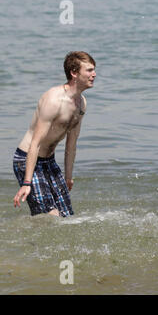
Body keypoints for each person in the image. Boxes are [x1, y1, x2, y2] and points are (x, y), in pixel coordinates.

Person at [13, 51, 96, 217]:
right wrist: (26, 182)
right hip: (28, 159)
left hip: (49, 162)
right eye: (89, 70)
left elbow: (71, 145)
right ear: (74, 73)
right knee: (51, 215)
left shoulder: (81, 103)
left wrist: (68, 176)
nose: (94, 74)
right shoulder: (54, 100)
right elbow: (35, 143)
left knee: (67, 216)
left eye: (94, 70)